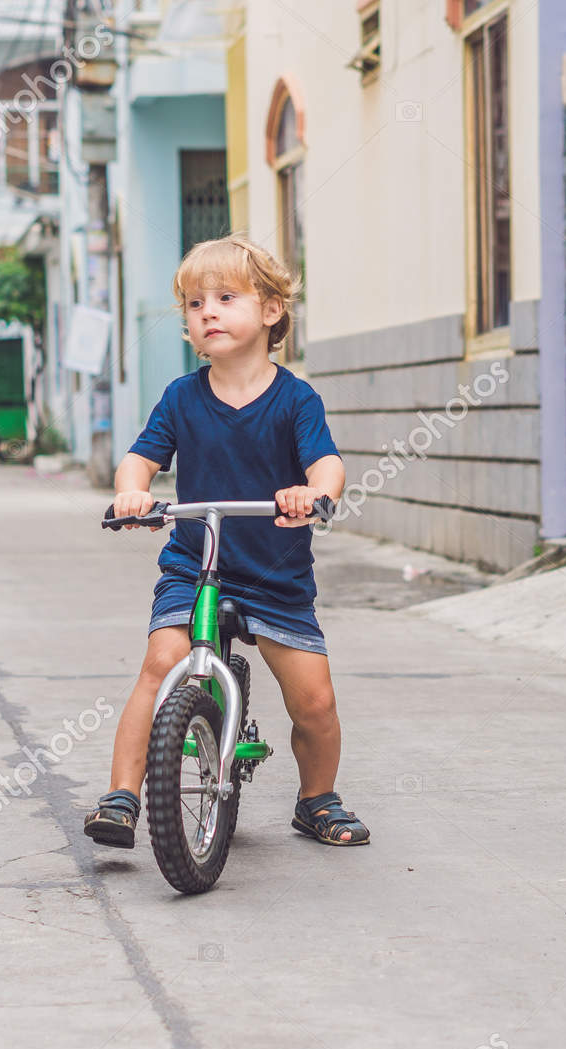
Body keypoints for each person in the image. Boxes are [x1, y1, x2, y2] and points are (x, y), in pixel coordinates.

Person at [84, 235, 366, 850]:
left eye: (225, 297)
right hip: (196, 563)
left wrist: (310, 493)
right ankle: (122, 796)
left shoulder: (296, 399)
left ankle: (317, 798)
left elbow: (328, 466)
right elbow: (138, 460)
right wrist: (133, 493)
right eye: (193, 303)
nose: (206, 311)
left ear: (270, 311)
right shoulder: (182, 398)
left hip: (274, 574)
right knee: (160, 664)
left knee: (315, 702)